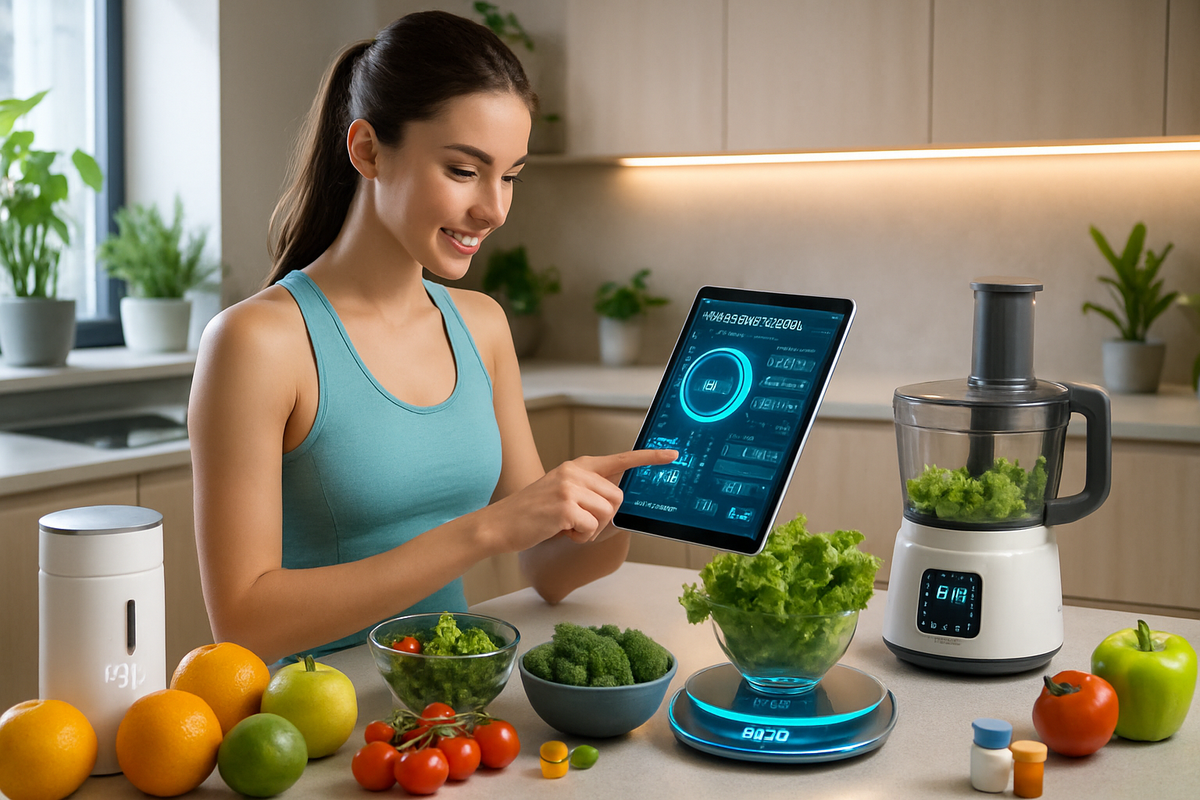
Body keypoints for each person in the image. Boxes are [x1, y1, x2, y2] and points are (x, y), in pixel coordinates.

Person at [187, 11, 675, 666]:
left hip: (447, 702)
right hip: (311, 713)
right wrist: (482, 532)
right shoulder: (257, 341)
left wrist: (624, 509)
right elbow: (244, 624)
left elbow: (548, 569)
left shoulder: (482, 326)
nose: (494, 209)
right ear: (368, 151)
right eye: (464, 170)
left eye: (510, 176)